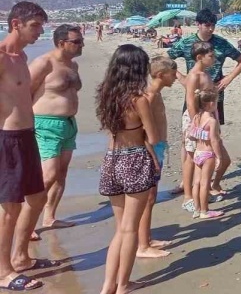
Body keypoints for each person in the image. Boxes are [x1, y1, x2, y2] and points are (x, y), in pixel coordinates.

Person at [97, 44, 160, 294]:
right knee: (130, 229)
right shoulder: (139, 99)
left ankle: (106, 286)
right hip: (134, 159)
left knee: (120, 229)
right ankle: (123, 284)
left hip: (111, 159)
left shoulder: (106, 94)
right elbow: (153, 138)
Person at [167, 9, 241, 196]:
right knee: (189, 140)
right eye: (207, 25)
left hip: (214, 98)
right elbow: (166, 59)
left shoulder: (220, 43)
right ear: (198, 24)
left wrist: (228, 79)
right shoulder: (187, 43)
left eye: (212, 25)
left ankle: (205, 181)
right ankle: (186, 182)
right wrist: (182, 78)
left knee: (211, 136)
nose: (210, 29)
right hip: (194, 99)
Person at [0, 2, 50, 291]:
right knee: (10, 208)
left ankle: (20, 258)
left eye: (42, 26)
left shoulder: (22, 57)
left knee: (37, 197)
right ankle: (4, 270)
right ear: (16, 24)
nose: (39, 31)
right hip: (8, 139)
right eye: (35, 26)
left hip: (27, 135)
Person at [28, 24, 83, 240]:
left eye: (81, 41)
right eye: (77, 42)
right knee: (47, 175)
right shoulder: (44, 63)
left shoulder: (74, 65)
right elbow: (25, 93)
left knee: (61, 173)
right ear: (62, 43)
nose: (81, 45)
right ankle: (28, 221)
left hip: (68, 124)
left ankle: (49, 216)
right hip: (45, 124)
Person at [180, 41, 231, 213]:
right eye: (211, 56)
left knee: (212, 158)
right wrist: (198, 121)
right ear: (200, 57)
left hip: (208, 118)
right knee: (194, 157)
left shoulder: (206, 73)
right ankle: (191, 198)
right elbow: (190, 101)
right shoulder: (195, 75)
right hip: (199, 120)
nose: (214, 58)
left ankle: (207, 191)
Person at [136, 56, 177, 259]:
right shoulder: (150, 95)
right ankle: (142, 245)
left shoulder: (157, 93)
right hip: (150, 149)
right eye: (173, 73)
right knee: (148, 198)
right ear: (161, 75)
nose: (175, 77)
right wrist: (152, 156)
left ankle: (147, 238)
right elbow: (142, 132)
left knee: (151, 198)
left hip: (158, 146)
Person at [188, 90, 225, 219]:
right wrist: (219, 157)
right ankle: (205, 210)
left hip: (198, 153)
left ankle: (197, 209)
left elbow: (191, 135)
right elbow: (214, 140)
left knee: (196, 183)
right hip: (208, 154)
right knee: (205, 183)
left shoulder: (197, 117)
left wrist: (200, 135)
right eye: (216, 102)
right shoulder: (211, 121)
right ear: (210, 104)